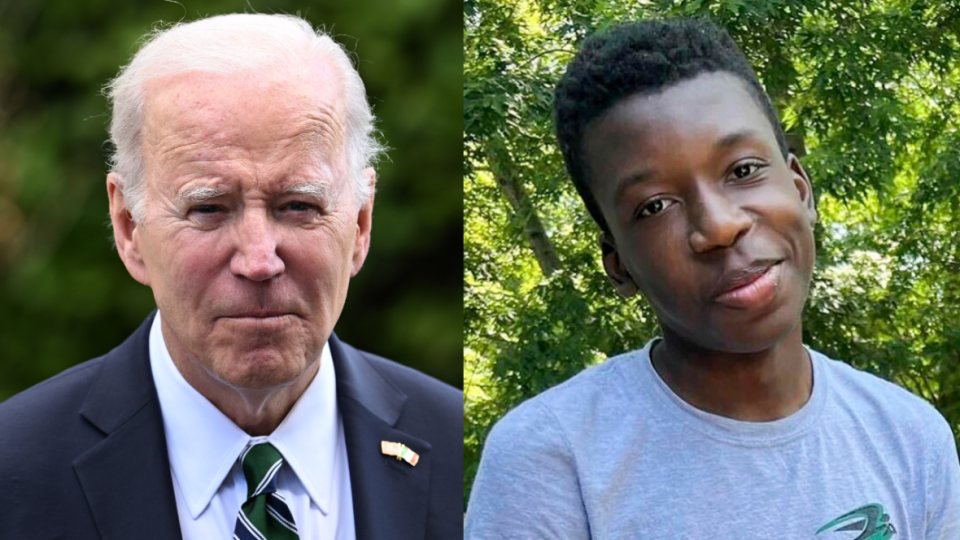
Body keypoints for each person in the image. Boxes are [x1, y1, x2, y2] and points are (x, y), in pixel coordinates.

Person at [465, 18, 960, 539]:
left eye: (743, 170)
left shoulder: (909, 438)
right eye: (655, 206)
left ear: (800, 189)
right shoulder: (552, 462)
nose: (720, 226)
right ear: (619, 264)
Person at [0, 13, 461, 540]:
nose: (260, 260)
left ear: (360, 222)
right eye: (209, 209)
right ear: (129, 227)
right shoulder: (14, 473)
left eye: (298, 205)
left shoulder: (456, 446)